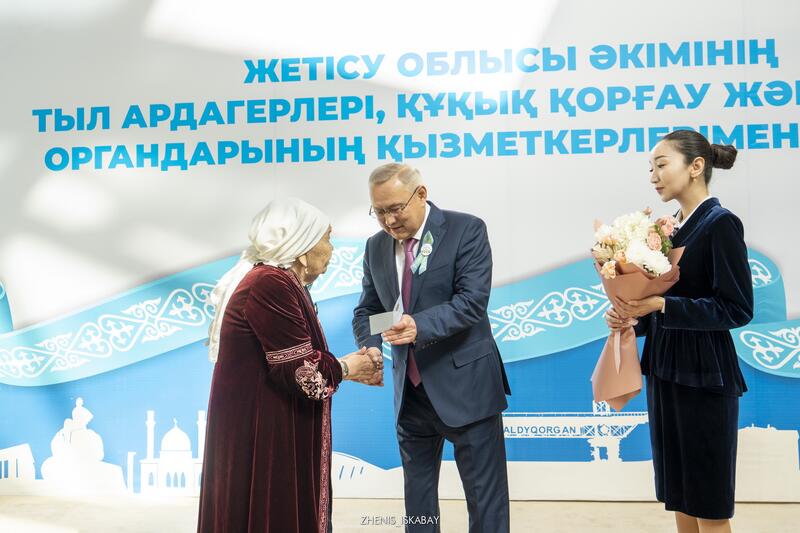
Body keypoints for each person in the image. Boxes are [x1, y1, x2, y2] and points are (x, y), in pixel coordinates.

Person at [197, 198, 383, 533]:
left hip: (270, 426)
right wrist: (348, 368)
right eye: (327, 239)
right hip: (265, 434)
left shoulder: (282, 284)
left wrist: (347, 368)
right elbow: (304, 374)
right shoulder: (270, 284)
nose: (332, 249)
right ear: (302, 248)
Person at [606, 130, 753, 533]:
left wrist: (661, 305)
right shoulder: (668, 231)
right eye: (650, 168)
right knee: (681, 495)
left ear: (696, 166)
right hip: (666, 370)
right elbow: (661, 301)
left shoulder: (720, 224)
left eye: (661, 164)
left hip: (704, 376)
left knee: (707, 501)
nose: (653, 176)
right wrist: (631, 316)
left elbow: (737, 308)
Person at [352, 164, 511, 533]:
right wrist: (371, 347)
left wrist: (418, 325)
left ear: (420, 194)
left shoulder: (465, 229)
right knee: (418, 502)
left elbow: (471, 302)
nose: (389, 221)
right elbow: (370, 311)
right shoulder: (376, 246)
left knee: (485, 499)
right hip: (410, 394)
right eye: (379, 212)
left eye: (396, 209)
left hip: (467, 387)